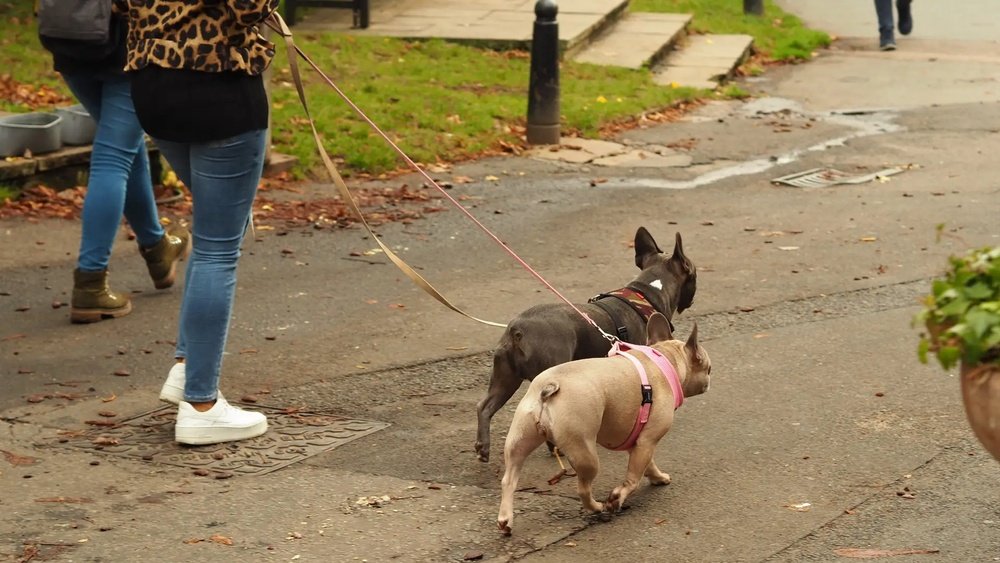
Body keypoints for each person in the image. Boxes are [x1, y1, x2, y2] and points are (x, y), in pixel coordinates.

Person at [115, 0, 279, 445]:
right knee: (217, 247)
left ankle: (188, 369)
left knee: (216, 232)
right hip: (217, 83)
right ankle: (202, 406)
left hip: (152, 84)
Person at [37, 5, 190, 324]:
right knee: (113, 156)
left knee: (124, 146)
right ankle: (90, 282)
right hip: (127, 43)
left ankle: (157, 248)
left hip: (71, 36)